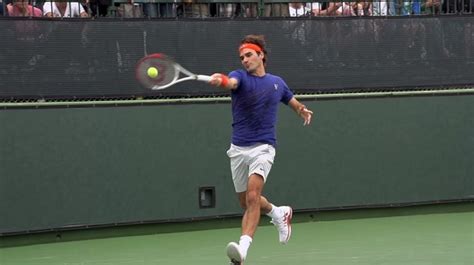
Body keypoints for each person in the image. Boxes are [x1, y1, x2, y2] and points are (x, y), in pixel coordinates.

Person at [208, 35, 313, 264]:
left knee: (253, 196)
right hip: (238, 148)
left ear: (261, 55)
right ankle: (278, 213)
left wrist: (301, 110)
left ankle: (243, 249)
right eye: (242, 57)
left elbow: (291, 101)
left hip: (264, 147)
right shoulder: (240, 77)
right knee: (246, 202)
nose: (245, 60)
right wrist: (222, 80)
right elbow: (231, 82)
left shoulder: (277, 82)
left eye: (249, 55)